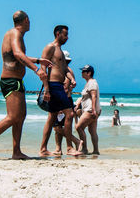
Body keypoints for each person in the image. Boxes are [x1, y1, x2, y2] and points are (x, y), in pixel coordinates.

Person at [0, 10, 52, 159]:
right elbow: (18, 54)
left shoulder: (14, 35)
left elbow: (16, 55)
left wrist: (38, 60)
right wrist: (37, 70)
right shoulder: (15, 33)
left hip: (16, 81)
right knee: (13, 117)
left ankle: (16, 152)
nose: (30, 23)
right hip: (10, 81)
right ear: (25, 20)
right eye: (29, 20)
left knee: (21, 116)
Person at [39, 26, 82, 156]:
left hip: (58, 85)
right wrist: (46, 88)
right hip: (53, 85)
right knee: (69, 114)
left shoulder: (61, 52)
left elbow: (63, 70)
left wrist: (71, 79)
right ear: (58, 34)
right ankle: (69, 148)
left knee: (52, 117)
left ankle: (43, 149)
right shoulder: (50, 47)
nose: (67, 37)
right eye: (65, 35)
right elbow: (42, 69)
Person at [52, 50, 83, 155]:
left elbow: (65, 89)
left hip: (63, 100)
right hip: (65, 100)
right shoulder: (67, 70)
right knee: (58, 127)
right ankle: (58, 149)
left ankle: (76, 141)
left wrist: (61, 105)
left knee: (57, 127)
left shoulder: (65, 71)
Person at [75, 65, 101, 155]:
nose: (81, 73)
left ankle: (84, 149)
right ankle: (96, 150)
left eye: (83, 71)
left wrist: (93, 109)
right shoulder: (89, 83)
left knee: (78, 127)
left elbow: (94, 96)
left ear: (89, 73)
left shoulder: (92, 83)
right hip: (92, 110)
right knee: (92, 131)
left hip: (90, 110)